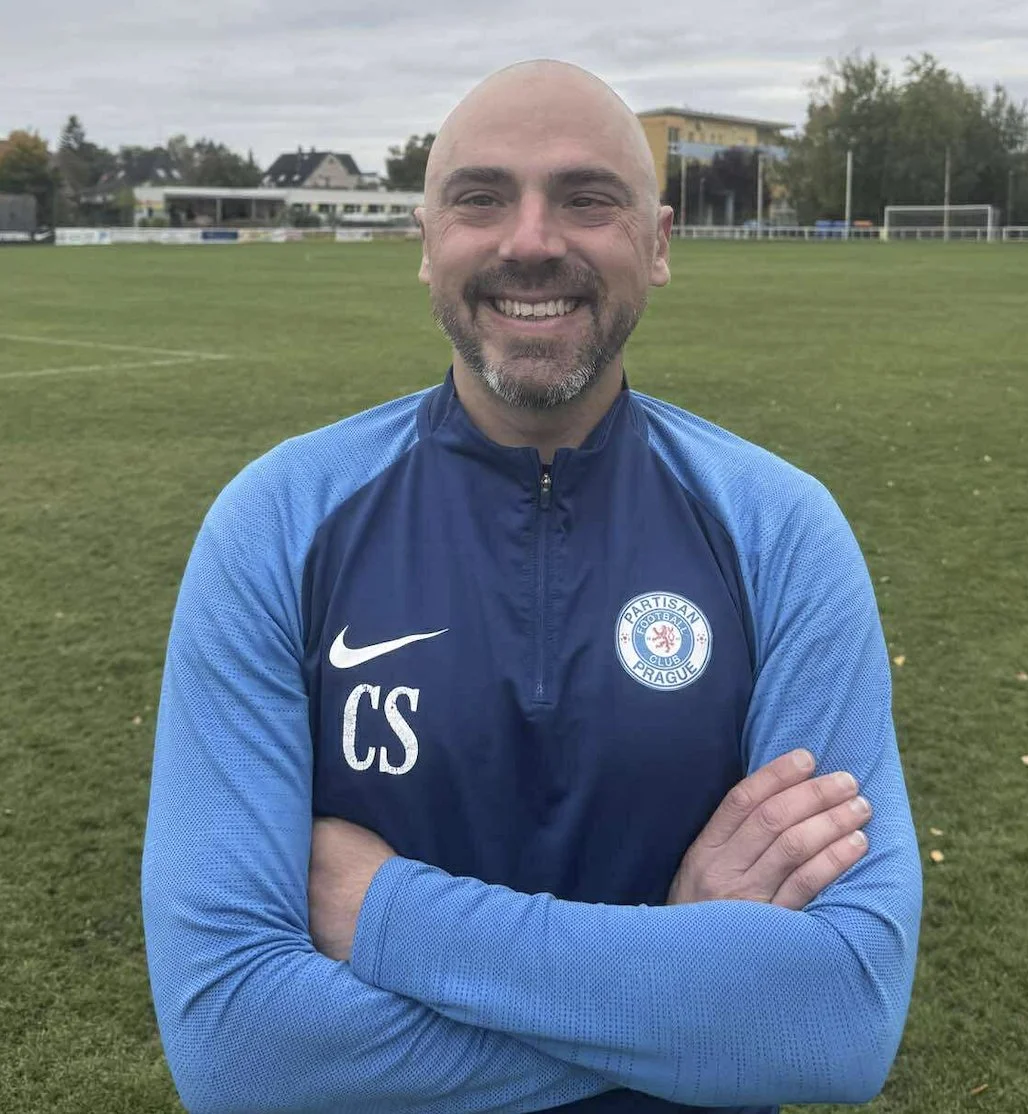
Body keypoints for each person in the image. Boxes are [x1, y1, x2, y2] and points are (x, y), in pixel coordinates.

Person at [142, 60, 922, 1114]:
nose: (530, 239)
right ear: (427, 244)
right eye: (480, 197)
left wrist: (386, 912)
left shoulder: (780, 532)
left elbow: (840, 1014)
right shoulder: (276, 524)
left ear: (656, 243)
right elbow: (237, 1049)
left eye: (588, 197)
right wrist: (685, 973)